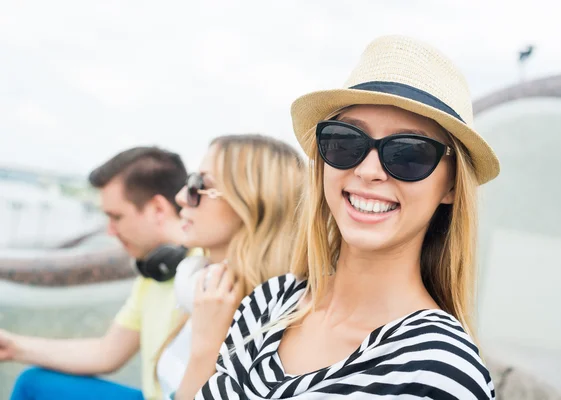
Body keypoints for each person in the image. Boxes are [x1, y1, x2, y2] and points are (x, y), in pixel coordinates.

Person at [190, 35, 499, 399]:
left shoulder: (441, 371)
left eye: (409, 153)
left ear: (451, 187)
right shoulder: (270, 301)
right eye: (345, 141)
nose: (369, 171)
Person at [1, 147, 188, 400]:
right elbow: (106, 353)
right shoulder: (154, 272)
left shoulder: (208, 271)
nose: (110, 231)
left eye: (116, 217)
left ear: (158, 208)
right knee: (33, 383)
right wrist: (13, 347)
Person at [152, 134, 306, 400]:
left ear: (254, 202)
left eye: (199, 185)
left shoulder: (276, 321)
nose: (180, 197)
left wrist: (207, 348)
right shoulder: (207, 287)